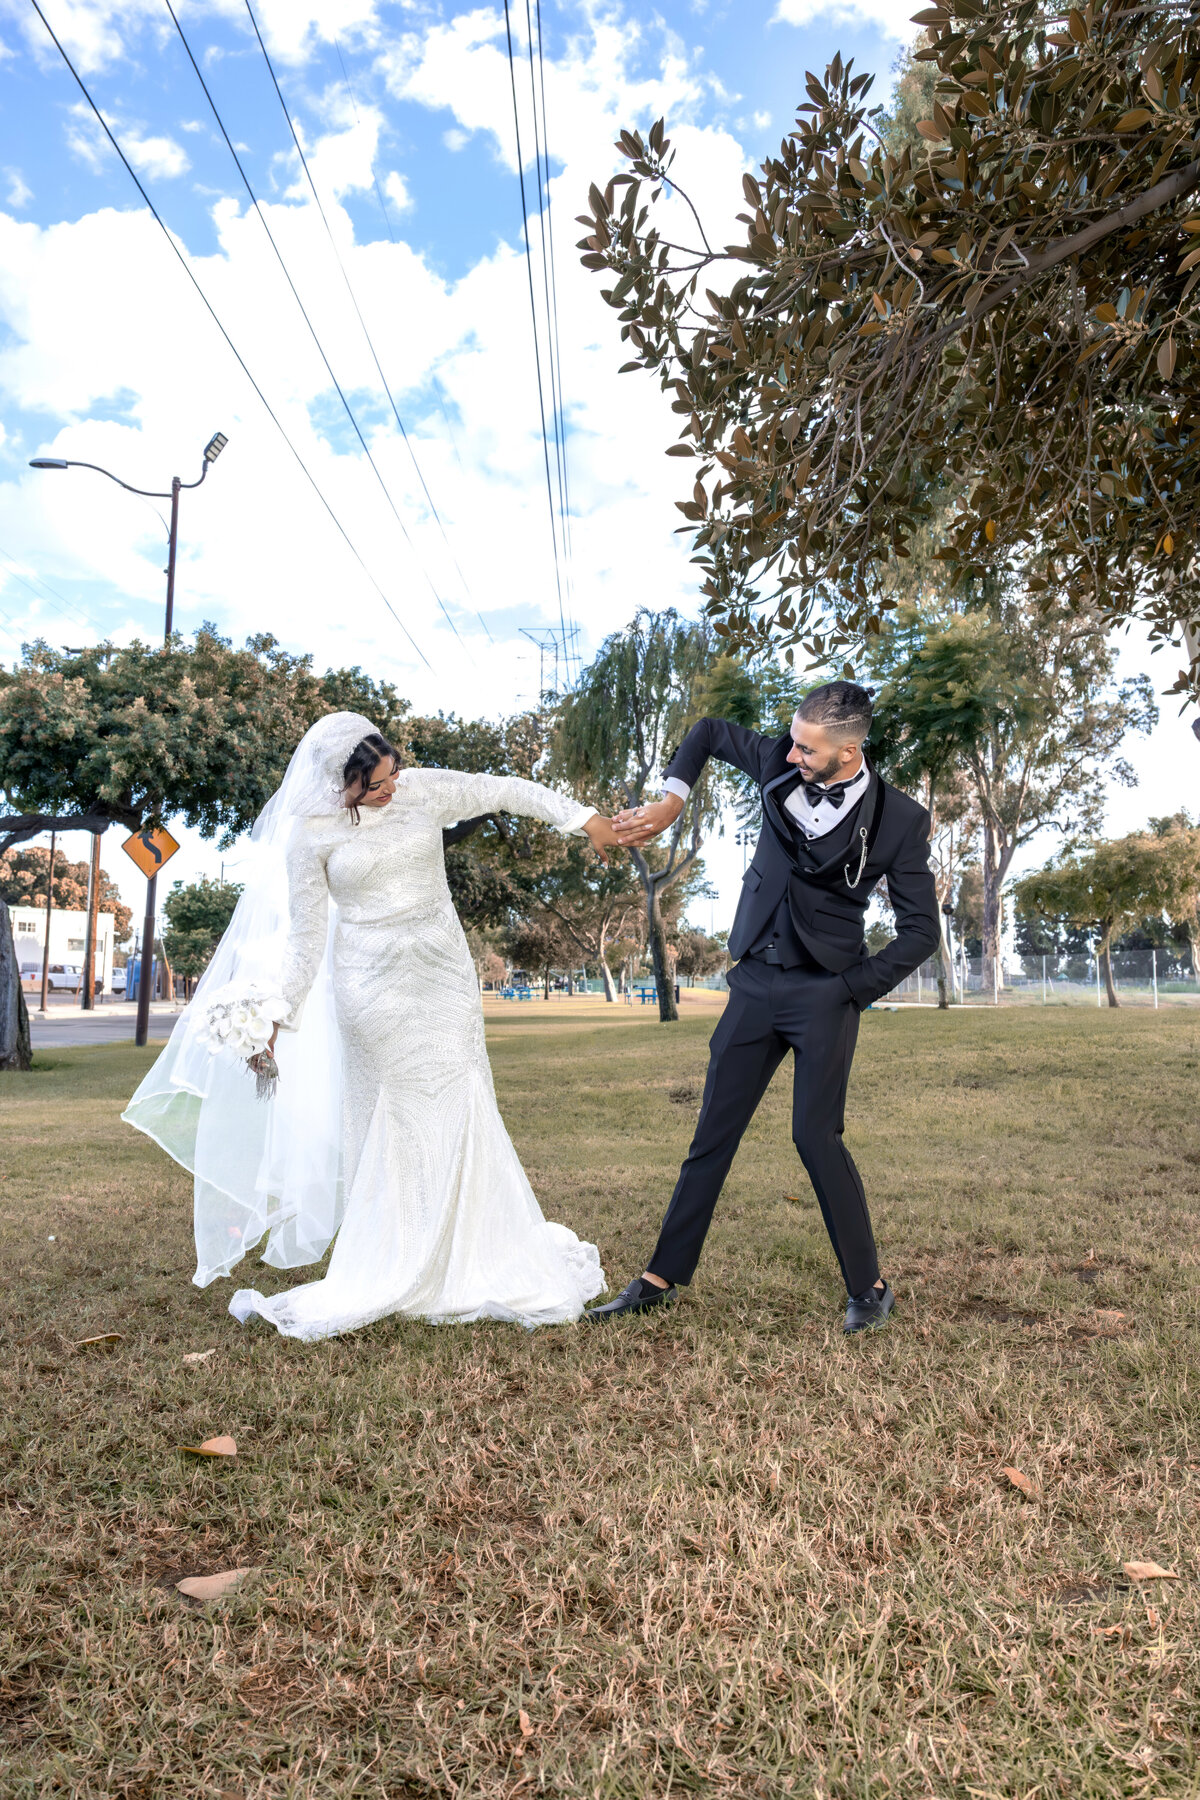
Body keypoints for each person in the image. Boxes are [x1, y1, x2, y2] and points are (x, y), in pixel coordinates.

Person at [124, 711, 619, 1339]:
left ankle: (468, 1246)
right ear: (340, 782)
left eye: (391, 776)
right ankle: (399, 1251)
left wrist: (583, 820)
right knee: (398, 1111)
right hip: (369, 986)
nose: (389, 789)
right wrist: (276, 1015)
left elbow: (505, 789)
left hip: (442, 975)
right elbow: (305, 945)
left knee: (461, 1097)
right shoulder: (311, 836)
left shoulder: (422, 789)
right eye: (374, 785)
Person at [585, 681, 939, 1334]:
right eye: (793, 741)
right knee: (712, 1133)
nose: (792, 755)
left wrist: (853, 988)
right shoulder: (780, 758)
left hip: (825, 992)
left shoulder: (901, 820)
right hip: (752, 981)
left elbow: (923, 932)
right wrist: (670, 801)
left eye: (808, 749)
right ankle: (661, 1278)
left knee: (815, 1137)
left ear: (850, 750)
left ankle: (870, 1287)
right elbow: (709, 732)